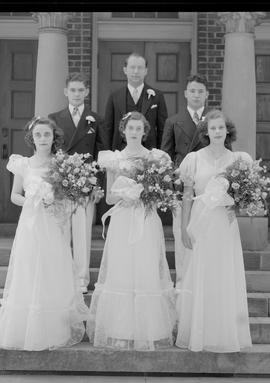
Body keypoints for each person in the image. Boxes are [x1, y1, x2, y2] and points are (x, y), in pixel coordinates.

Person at [0, 116, 88, 351]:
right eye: (38, 135)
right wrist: (32, 199)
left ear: (54, 137)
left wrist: (56, 199)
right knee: (30, 268)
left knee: (52, 269)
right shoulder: (23, 164)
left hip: (54, 224)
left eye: (47, 134)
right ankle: (26, 330)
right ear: (31, 138)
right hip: (31, 223)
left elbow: (71, 195)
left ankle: (55, 329)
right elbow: (14, 195)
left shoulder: (62, 163)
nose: (43, 139)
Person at [87, 111, 177, 351]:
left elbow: (160, 195)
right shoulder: (114, 159)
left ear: (145, 131)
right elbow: (109, 196)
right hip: (123, 218)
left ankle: (148, 329)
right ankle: (121, 329)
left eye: (139, 128)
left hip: (146, 218)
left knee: (146, 268)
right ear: (123, 131)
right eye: (131, 128)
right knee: (123, 269)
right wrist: (127, 193)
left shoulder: (156, 158)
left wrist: (145, 193)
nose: (135, 132)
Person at [175, 109, 252, 353]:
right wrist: (184, 227)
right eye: (213, 128)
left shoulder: (238, 159)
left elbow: (245, 196)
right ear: (206, 132)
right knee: (202, 273)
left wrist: (235, 204)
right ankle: (199, 332)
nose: (217, 132)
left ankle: (224, 333)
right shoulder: (194, 159)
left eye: (221, 127)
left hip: (224, 224)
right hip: (201, 223)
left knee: (224, 274)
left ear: (227, 130)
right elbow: (187, 196)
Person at [49, 73, 109, 294]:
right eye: (72, 90)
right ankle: (62, 277)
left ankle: (81, 279)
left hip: (86, 183)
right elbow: (52, 152)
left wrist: (97, 186)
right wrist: (56, 180)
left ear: (86, 92)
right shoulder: (54, 118)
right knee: (62, 231)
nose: (76, 94)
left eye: (80, 90)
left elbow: (101, 154)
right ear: (66, 92)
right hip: (63, 183)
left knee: (82, 234)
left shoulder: (96, 119)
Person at [161, 74, 214, 288]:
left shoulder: (215, 121)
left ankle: (204, 281)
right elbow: (166, 155)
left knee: (205, 234)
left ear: (207, 95)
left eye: (200, 91)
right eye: (192, 90)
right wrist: (173, 181)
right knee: (181, 234)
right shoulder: (173, 121)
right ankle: (183, 282)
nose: (196, 95)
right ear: (185, 93)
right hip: (181, 188)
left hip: (207, 189)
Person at [104, 53, 168, 151]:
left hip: (148, 153)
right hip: (120, 153)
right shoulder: (114, 96)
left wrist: (159, 154)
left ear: (146, 71)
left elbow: (162, 129)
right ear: (125, 70)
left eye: (140, 68)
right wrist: (108, 154)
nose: (136, 71)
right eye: (132, 67)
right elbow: (108, 129)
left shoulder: (157, 96)